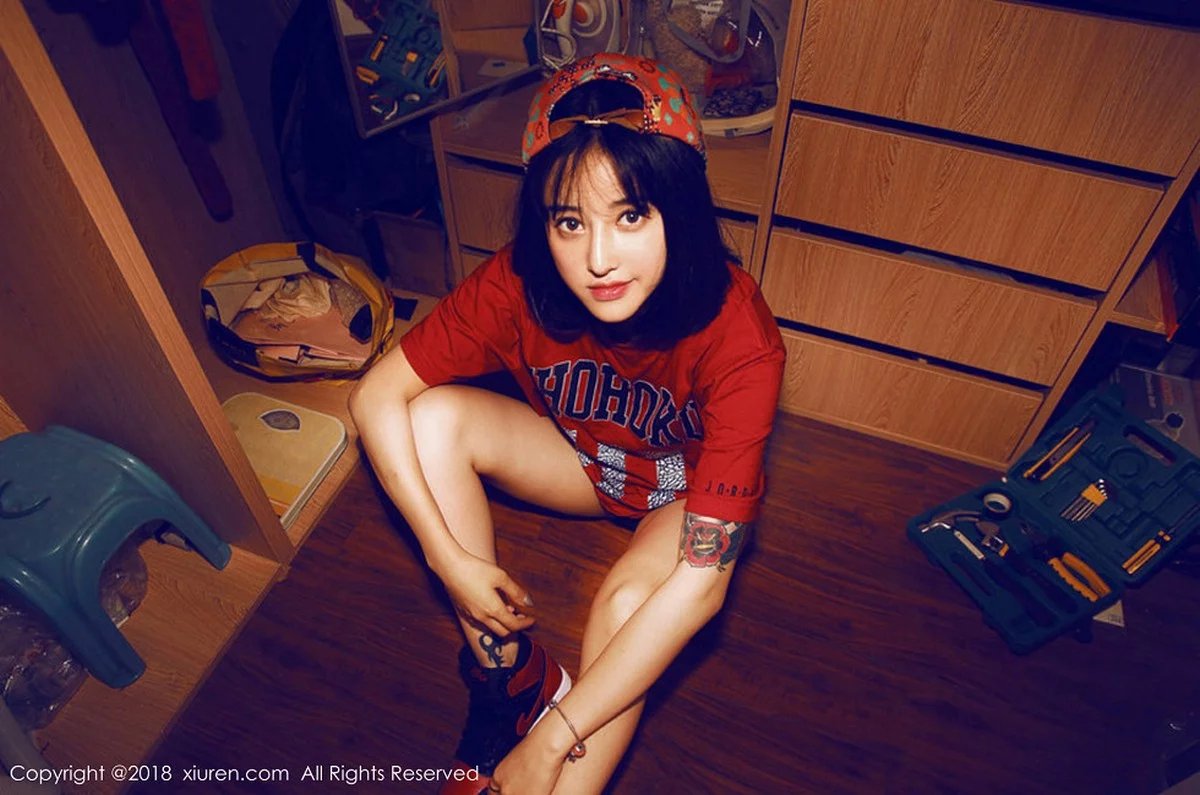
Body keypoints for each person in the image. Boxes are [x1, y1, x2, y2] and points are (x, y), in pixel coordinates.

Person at [349, 52, 786, 795]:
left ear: (678, 209)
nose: (598, 258)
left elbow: (703, 583)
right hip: (584, 462)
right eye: (570, 221)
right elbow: (374, 397)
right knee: (430, 419)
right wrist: (448, 561)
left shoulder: (740, 332)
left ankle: (555, 758)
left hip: (680, 490)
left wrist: (552, 742)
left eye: (631, 215)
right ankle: (508, 680)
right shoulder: (518, 279)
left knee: (629, 603)